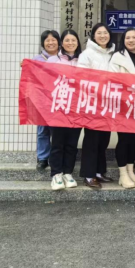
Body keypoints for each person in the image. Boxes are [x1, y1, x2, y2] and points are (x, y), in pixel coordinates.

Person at [77, 23, 116, 189]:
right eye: (99, 33)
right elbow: (81, 77)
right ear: (93, 36)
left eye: (105, 33)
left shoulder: (113, 53)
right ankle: (88, 174)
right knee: (92, 140)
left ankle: (99, 172)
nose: (102, 36)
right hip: (92, 104)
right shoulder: (86, 54)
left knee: (103, 140)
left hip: (108, 104)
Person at [109, 28, 135, 190]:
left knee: (134, 139)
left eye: (134, 37)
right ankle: (122, 174)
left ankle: (131, 172)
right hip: (123, 104)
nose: (131, 40)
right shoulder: (117, 57)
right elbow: (112, 79)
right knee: (124, 139)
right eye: (128, 37)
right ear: (123, 40)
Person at [47, 30, 83, 191]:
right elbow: (43, 80)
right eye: (67, 40)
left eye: (73, 40)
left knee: (72, 143)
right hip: (59, 108)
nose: (70, 43)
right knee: (57, 143)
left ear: (78, 42)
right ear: (62, 43)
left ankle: (68, 172)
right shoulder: (53, 60)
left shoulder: (83, 60)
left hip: (77, 108)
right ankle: (56, 174)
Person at [32, 30, 61, 173]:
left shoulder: (63, 58)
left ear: (58, 42)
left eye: (53, 40)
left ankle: (55, 157)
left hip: (60, 100)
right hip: (42, 101)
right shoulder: (37, 59)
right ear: (43, 43)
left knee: (58, 131)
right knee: (43, 130)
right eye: (47, 40)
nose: (50, 43)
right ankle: (42, 158)